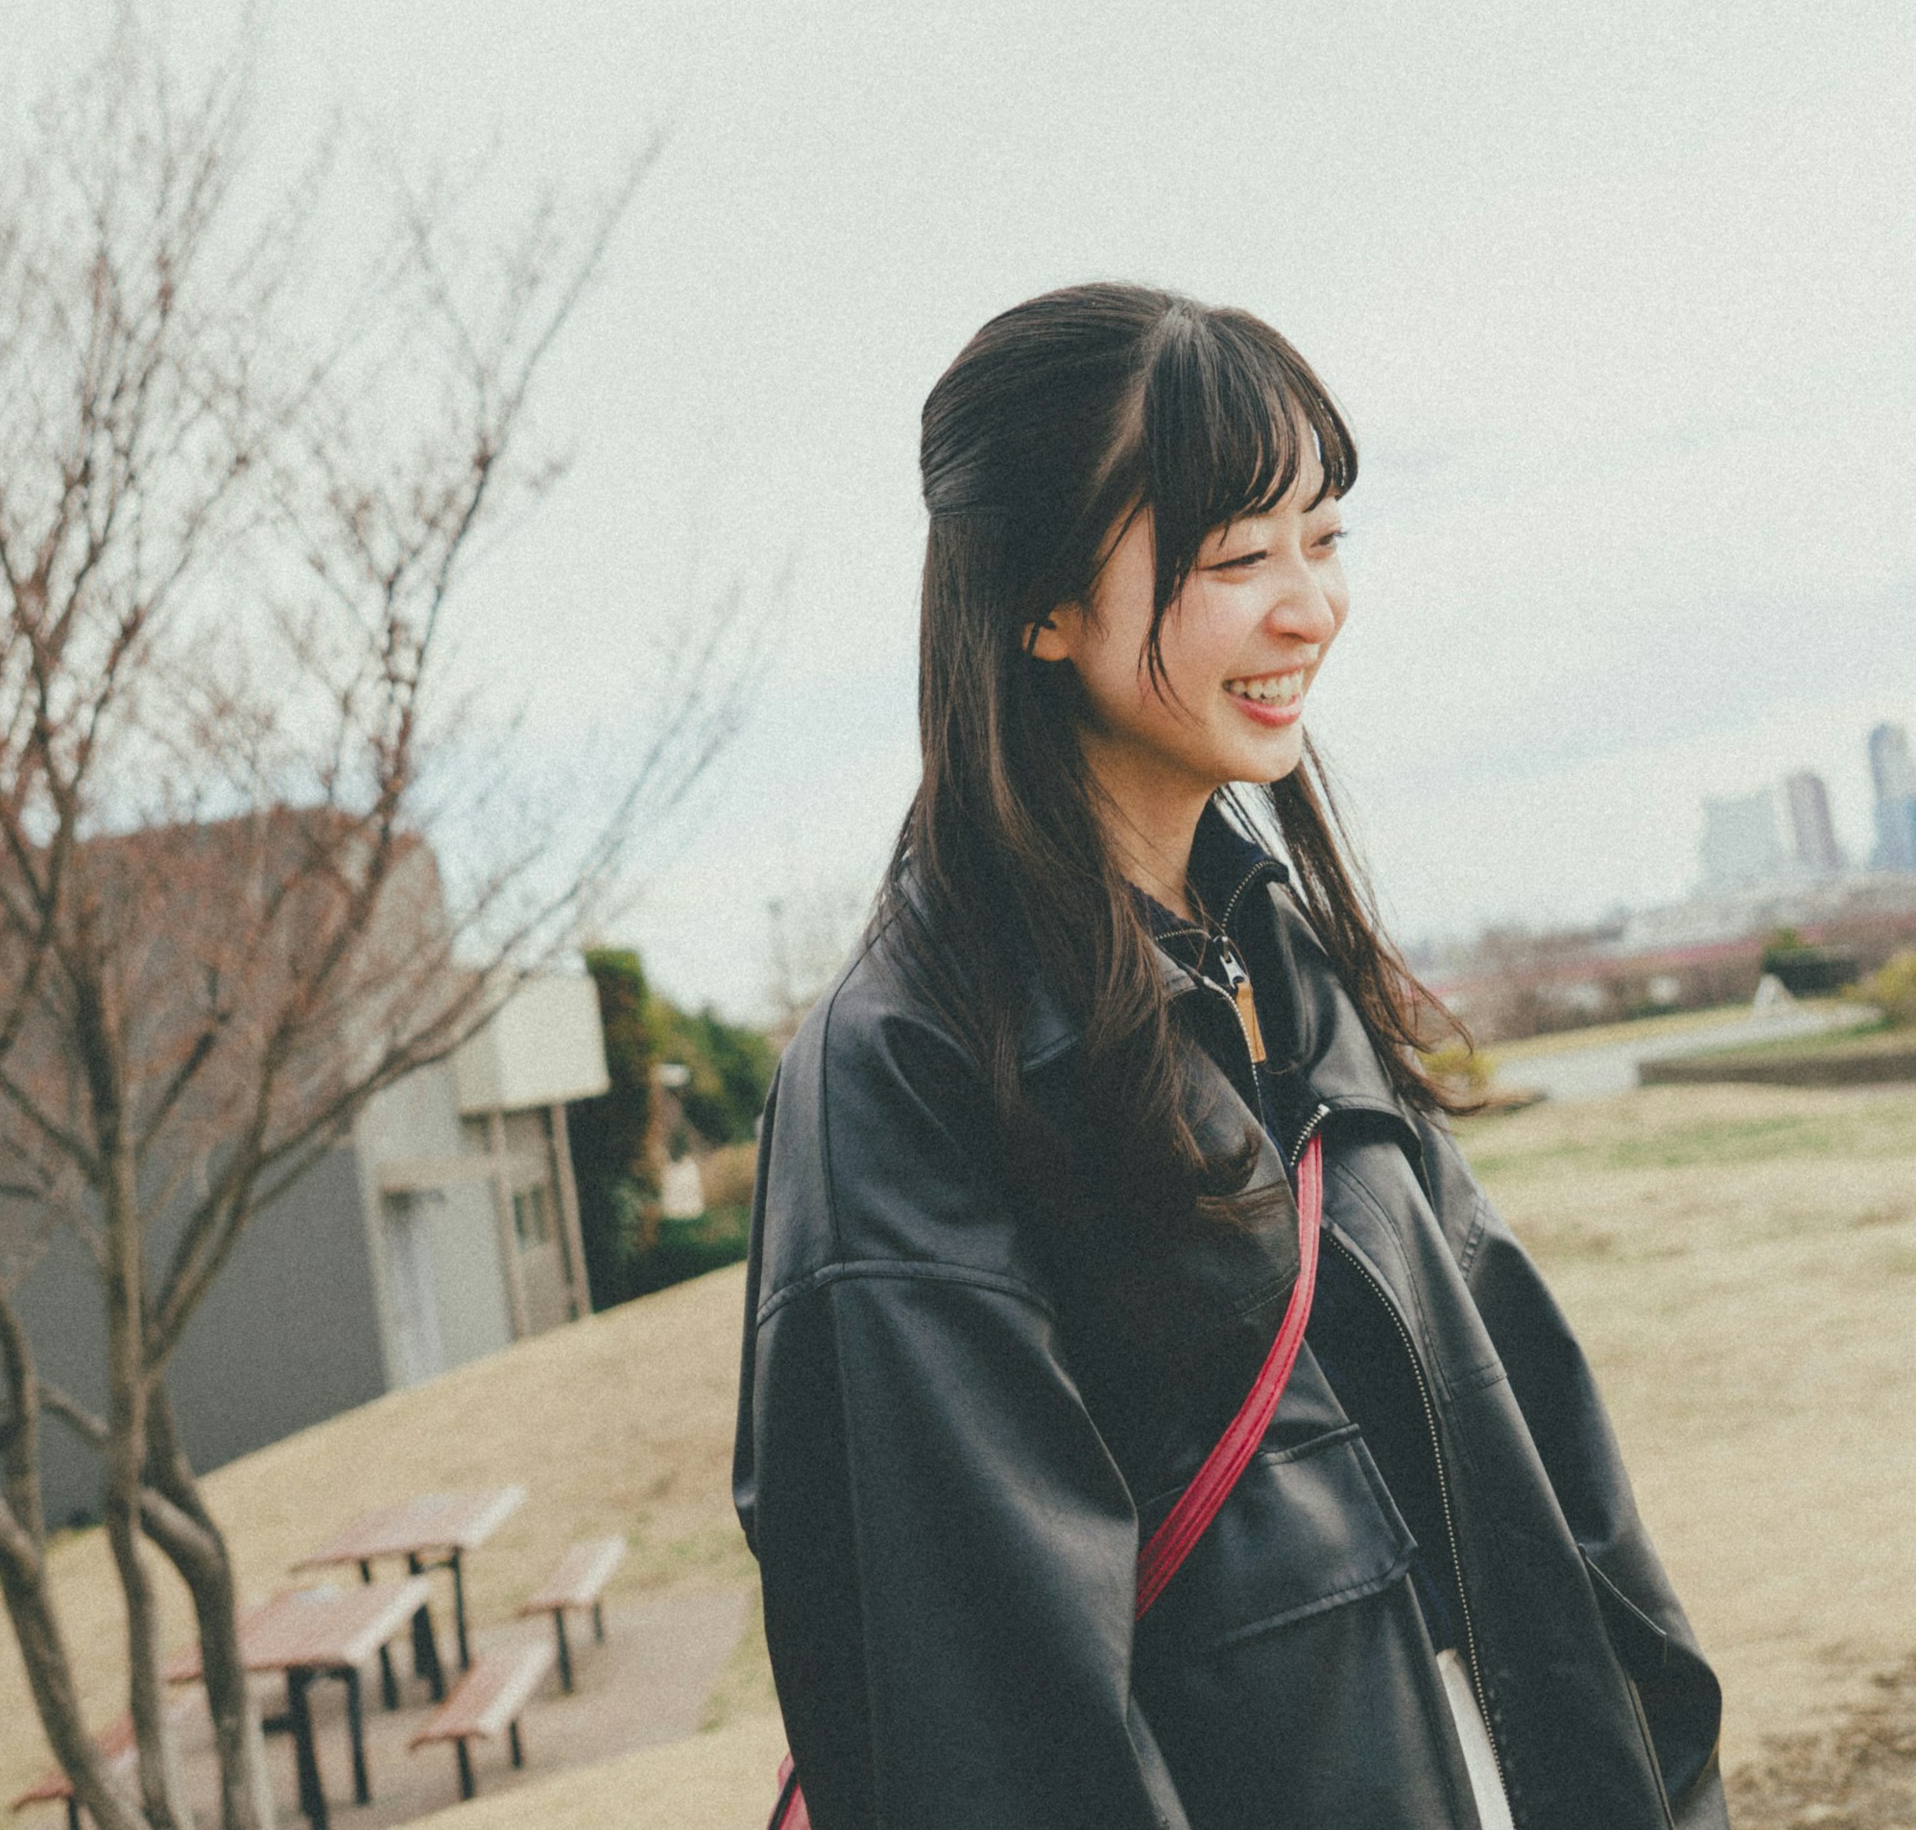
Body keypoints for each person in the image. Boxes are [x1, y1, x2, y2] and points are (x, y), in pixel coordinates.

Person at [736, 284, 1724, 1830]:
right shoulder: (910, 1070)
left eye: (1324, 542)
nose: (1309, 607)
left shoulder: (1285, 967)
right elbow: (983, 1716)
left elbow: (1551, 1481)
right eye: (1237, 558)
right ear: (1042, 606)